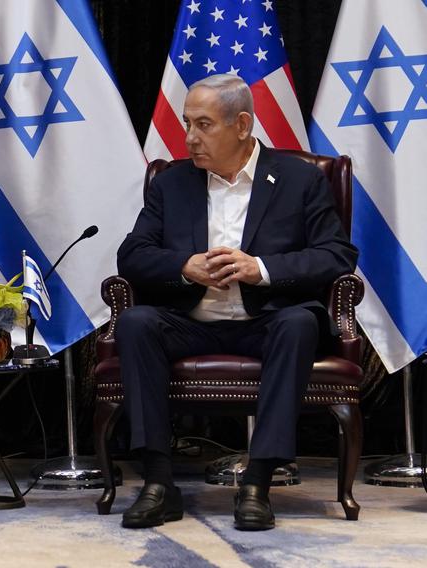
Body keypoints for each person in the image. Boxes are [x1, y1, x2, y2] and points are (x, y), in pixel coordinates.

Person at [115, 74, 358, 531]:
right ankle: (158, 482)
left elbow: (336, 254)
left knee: (299, 324)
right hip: (191, 320)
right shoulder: (172, 184)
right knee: (136, 322)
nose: (190, 138)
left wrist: (260, 269)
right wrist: (184, 266)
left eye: (203, 125)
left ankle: (258, 483)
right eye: (188, 123)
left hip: (266, 320)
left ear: (242, 124)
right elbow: (132, 255)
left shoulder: (299, 180)